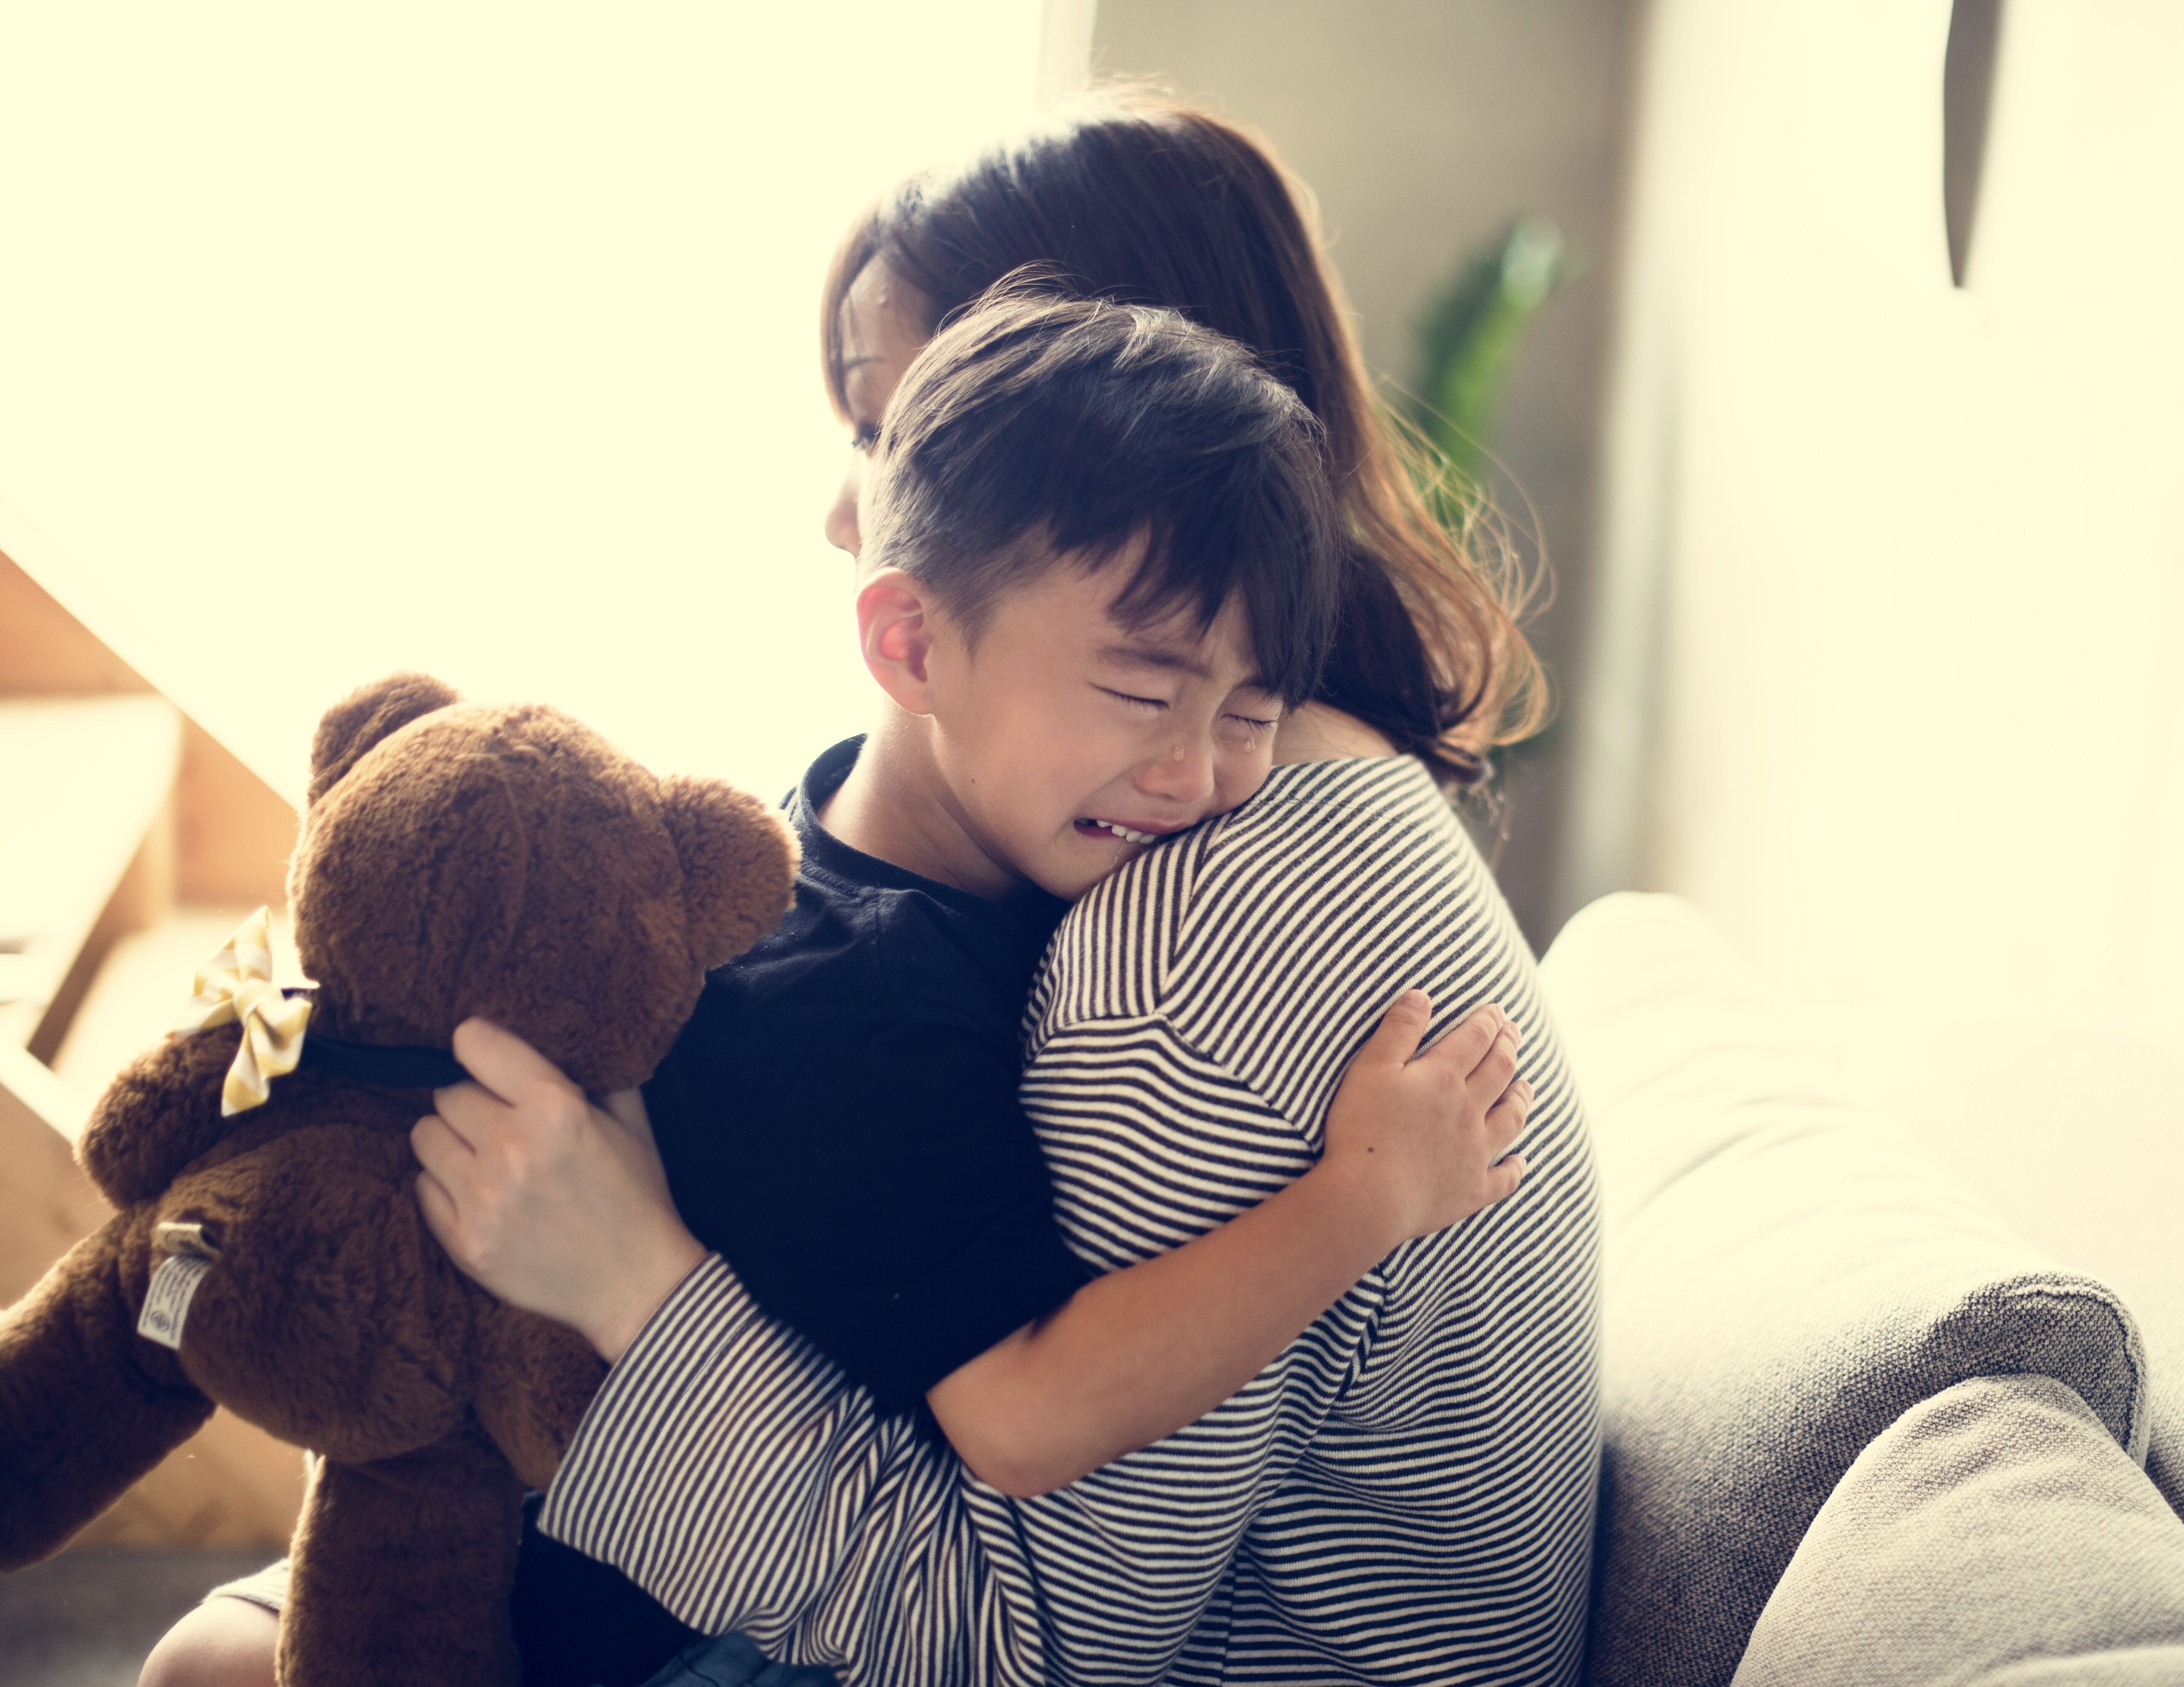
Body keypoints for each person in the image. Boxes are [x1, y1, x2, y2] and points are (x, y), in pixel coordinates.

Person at [147, 90, 1599, 1687]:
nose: (844, 514)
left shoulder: (1193, 941)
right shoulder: (1232, 791)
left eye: (896, 437)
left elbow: (1018, 1643)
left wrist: (628, 1277)